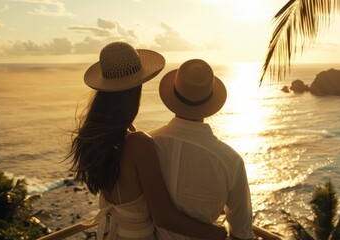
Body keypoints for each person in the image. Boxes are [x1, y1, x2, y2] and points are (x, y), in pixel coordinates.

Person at [65, 42, 227, 240]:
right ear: (136, 90)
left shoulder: (98, 139)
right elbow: (164, 217)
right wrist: (218, 232)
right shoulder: (138, 143)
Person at [150, 59, 255, 240]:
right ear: (210, 102)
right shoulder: (230, 161)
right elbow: (242, 233)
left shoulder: (147, 143)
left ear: (174, 96)